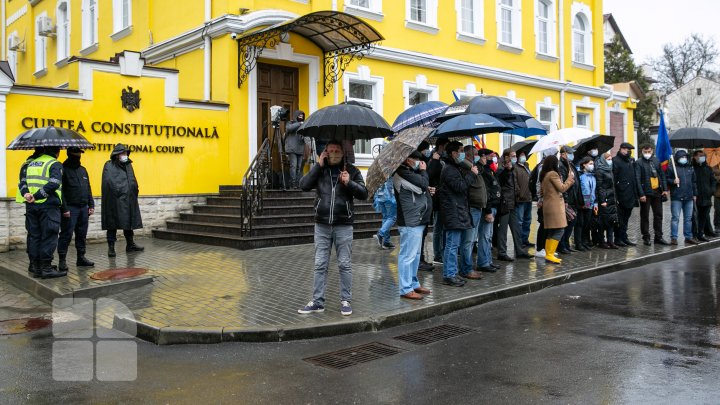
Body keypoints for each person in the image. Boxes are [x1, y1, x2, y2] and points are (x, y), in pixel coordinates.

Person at [298, 140, 368, 315]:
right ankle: (317, 301)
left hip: (343, 224)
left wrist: (349, 182)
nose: (334, 153)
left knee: (344, 264)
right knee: (320, 264)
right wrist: (317, 166)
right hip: (321, 224)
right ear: (325, 153)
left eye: (337, 150)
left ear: (343, 153)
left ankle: (346, 300)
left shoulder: (351, 170)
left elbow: (364, 194)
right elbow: (304, 185)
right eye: (330, 151)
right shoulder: (320, 169)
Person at [18, 146, 67, 279]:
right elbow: (54, 183)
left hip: (32, 206)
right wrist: (38, 195)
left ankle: (37, 268)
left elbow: (22, 182)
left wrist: (27, 194)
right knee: (49, 236)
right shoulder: (54, 163)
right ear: (57, 152)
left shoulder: (31, 163)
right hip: (48, 206)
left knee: (35, 236)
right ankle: (46, 268)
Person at [394, 151, 433, 299]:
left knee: (416, 255)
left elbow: (421, 189)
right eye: (415, 159)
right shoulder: (401, 172)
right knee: (407, 255)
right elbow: (422, 185)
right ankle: (405, 288)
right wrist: (424, 172)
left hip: (419, 219)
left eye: (419, 159)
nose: (418, 162)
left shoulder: (410, 172)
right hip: (410, 220)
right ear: (406, 159)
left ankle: (413, 283)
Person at [437, 141, 477, 286]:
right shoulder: (449, 169)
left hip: (457, 211)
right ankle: (449, 275)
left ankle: (452, 273)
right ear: (453, 153)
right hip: (452, 211)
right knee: (452, 245)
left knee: (454, 245)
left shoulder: (455, 167)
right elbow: (460, 187)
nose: (462, 154)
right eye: (460, 151)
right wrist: (471, 175)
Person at [101, 144, 144, 257]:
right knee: (112, 223)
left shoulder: (128, 165)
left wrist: (135, 189)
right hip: (114, 200)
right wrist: (120, 192)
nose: (125, 155)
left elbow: (132, 179)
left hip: (129, 199)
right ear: (117, 155)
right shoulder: (109, 165)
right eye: (123, 153)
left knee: (128, 222)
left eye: (126, 153)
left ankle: (130, 245)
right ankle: (111, 248)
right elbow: (108, 182)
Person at [57, 147, 95, 272]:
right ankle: (62, 260)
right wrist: (65, 208)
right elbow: (60, 191)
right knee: (66, 235)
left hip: (83, 208)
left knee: (82, 234)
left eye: (79, 153)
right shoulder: (63, 169)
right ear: (69, 154)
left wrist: (91, 204)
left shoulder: (83, 170)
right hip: (70, 209)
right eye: (76, 153)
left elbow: (88, 188)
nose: (78, 155)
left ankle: (81, 258)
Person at [495, 149, 532, 261]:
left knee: (516, 228)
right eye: (512, 156)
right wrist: (507, 170)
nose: (515, 158)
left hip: (514, 202)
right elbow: (501, 182)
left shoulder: (513, 167)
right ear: (506, 157)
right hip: (505, 203)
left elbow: (515, 184)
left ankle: (520, 251)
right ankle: (502, 252)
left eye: (515, 156)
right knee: (503, 230)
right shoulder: (501, 168)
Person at [539, 155, 575, 263]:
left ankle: (548, 254)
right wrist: (570, 179)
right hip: (554, 206)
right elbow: (562, 188)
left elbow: (542, 191)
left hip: (549, 205)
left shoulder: (545, 174)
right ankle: (550, 254)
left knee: (552, 230)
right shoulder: (553, 174)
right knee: (560, 230)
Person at [458, 145, 485, 280]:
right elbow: (465, 186)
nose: (477, 156)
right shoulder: (465, 167)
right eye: (475, 153)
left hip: (477, 207)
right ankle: (466, 269)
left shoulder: (472, 167)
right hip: (471, 207)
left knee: (472, 239)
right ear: (469, 155)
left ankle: (467, 267)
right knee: (468, 241)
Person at [636, 144, 670, 246]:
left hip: (657, 192)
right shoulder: (638, 163)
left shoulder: (656, 161)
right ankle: (646, 237)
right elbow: (637, 179)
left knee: (658, 215)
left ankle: (658, 237)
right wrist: (641, 194)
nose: (647, 154)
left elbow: (662, 175)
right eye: (645, 152)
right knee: (645, 216)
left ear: (652, 151)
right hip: (646, 193)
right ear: (642, 152)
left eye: (649, 152)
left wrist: (664, 189)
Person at [612, 142, 642, 246]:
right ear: (621, 149)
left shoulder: (631, 160)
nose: (628, 151)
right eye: (626, 149)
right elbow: (614, 180)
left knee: (626, 218)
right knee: (620, 219)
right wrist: (615, 196)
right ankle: (618, 238)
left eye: (629, 150)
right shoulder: (615, 161)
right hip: (621, 195)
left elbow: (634, 178)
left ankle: (624, 237)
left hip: (630, 195)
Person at [666, 150, 698, 245]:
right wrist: (673, 181)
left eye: (685, 157)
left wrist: (695, 194)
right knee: (675, 218)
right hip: (677, 197)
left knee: (688, 218)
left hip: (689, 197)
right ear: (677, 158)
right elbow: (666, 179)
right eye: (682, 157)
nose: (684, 159)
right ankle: (674, 238)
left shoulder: (690, 168)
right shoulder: (672, 168)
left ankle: (688, 237)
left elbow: (694, 182)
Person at [477, 149, 501, 272]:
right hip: (488, 207)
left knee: (489, 236)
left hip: (494, 206)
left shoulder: (490, 170)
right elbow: (485, 192)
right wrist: (487, 211)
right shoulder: (482, 171)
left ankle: (488, 260)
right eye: (490, 157)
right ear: (483, 157)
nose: (493, 159)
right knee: (485, 236)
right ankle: (483, 262)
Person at [557, 146, 583, 253]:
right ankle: (562, 245)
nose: (572, 155)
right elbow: (564, 184)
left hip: (574, 198)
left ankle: (566, 244)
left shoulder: (570, 164)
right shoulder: (561, 166)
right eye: (570, 153)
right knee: (567, 223)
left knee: (572, 222)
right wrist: (566, 200)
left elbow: (576, 181)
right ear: (563, 154)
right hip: (568, 199)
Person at [428, 138, 449, 264]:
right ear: (441, 146)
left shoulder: (444, 160)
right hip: (437, 198)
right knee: (438, 227)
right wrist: (435, 161)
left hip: (445, 197)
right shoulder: (433, 159)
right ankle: (437, 254)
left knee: (444, 227)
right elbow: (430, 175)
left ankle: (443, 251)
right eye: (446, 146)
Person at [595, 152, 619, 249]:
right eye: (608, 159)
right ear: (603, 160)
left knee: (611, 221)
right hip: (605, 200)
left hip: (611, 199)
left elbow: (612, 186)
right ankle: (602, 241)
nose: (610, 161)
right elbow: (600, 187)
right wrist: (602, 200)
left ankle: (610, 241)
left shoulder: (610, 170)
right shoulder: (600, 171)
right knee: (603, 222)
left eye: (610, 159)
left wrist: (615, 198)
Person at [416, 141, 434, 271]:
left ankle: (421, 259)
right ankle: (419, 261)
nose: (428, 152)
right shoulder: (418, 169)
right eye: (426, 149)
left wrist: (429, 189)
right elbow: (421, 183)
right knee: (419, 237)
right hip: (418, 210)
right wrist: (423, 172)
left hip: (425, 207)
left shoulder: (424, 165)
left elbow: (424, 184)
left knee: (423, 235)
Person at [692, 150, 716, 241]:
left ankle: (704, 232)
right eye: (699, 156)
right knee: (697, 216)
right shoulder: (692, 168)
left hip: (707, 196)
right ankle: (697, 233)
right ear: (694, 157)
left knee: (705, 215)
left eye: (703, 156)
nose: (701, 158)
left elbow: (713, 180)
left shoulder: (708, 168)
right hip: (696, 196)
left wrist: (711, 190)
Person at [577, 157, 597, 249]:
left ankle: (585, 242)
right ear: (584, 164)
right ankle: (579, 243)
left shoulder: (592, 176)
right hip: (583, 204)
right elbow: (583, 190)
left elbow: (594, 191)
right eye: (590, 163)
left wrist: (594, 203)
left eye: (592, 163)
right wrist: (586, 203)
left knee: (587, 224)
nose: (592, 165)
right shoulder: (580, 176)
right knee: (581, 223)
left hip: (590, 204)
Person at [283, 110, 306, 189]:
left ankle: (298, 183)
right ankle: (293, 184)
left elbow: (305, 136)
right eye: (299, 116)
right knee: (293, 166)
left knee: (299, 167)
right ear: (296, 116)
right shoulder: (291, 123)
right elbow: (289, 128)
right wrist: (299, 123)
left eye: (302, 116)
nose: (301, 117)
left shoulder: (304, 125)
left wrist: (304, 136)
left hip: (300, 148)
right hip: (292, 148)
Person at [515, 151, 533, 247]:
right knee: (519, 221)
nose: (523, 156)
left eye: (524, 154)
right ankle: (519, 241)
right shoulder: (515, 167)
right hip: (520, 199)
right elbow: (515, 182)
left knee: (528, 220)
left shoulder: (526, 166)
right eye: (521, 155)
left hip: (528, 198)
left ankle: (525, 239)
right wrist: (519, 193)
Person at [373, 178, 396, 249]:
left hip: (380, 197)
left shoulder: (379, 174)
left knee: (385, 218)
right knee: (392, 217)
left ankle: (386, 241)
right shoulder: (389, 172)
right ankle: (380, 233)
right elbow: (390, 186)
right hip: (388, 198)